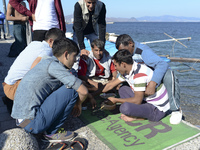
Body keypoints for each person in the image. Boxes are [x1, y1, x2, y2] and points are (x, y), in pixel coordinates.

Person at [11, 38, 88, 142]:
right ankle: (51, 133)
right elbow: (83, 91)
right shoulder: (54, 67)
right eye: (74, 56)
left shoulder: (47, 61)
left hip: (22, 119)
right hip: (32, 123)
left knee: (68, 84)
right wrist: (78, 104)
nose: (75, 60)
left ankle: (46, 128)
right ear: (66, 54)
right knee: (72, 90)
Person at [115, 34, 182, 124]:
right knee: (123, 88)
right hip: (142, 79)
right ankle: (141, 107)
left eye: (124, 50)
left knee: (169, 74)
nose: (124, 53)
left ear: (131, 44)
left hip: (156, 78)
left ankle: (175, 109)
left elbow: (162, 65)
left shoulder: (143, 51)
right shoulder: (129, 53)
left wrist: (153, 83)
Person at [2, 28, 65, 114]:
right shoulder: (47, 50)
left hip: (8, 83)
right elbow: (33, 70)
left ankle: (10, 99)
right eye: (59, 44)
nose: (59, 47)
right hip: (13, 89)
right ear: (50, 41)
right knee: (50, 81)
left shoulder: (34, 44)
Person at [102, 49, 170, 122]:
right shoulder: (128, 69)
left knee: (125, 108)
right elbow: (111, 85)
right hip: (145, 99)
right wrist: (92, 94)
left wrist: (116, 100)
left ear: (123, 64)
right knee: (123, 89)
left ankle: (139, 117)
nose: (115, 68)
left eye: (116, 65)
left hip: (157, 107)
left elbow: (137, 101)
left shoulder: (139, 75)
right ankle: (139, 110)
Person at [78, 39, 117, 108]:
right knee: (82, 84)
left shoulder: (107, 57)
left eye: (100, 50)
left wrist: (115, 79)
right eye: (96, 50)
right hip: (90, 80)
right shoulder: (86, 58)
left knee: (117, 84)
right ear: (92, 49)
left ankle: (93, 94)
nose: (98, 53)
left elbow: (114, 71)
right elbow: (81, 75)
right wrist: (94, 83)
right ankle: (99, 92)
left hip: (104, 81)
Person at [72, 0, 106, 70]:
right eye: (89, 3)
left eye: (93, 3)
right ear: (84, 1)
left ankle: (97, 70)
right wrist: (82, 48)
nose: (91, 6)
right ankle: (75, 71)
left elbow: (102, 26)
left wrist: (102, 45)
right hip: (79, 31)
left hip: (93, 31)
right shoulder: (78, 5)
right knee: (76, 52)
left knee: (98, 50)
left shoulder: (101, 6)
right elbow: (78, 27)